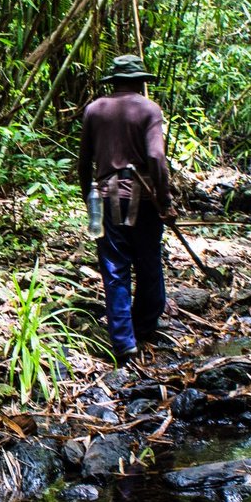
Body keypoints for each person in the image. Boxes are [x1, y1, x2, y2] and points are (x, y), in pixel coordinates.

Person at [77, 54, 176, 365]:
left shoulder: (95, 109)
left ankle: (123, 342)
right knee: (149, 262)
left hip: (106, 196)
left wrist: (87, 197)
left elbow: (84, 161)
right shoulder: (149, 109)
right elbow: (156, 158)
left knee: (115, 268)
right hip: (143, 198)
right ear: (140, 82)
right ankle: (144, 324)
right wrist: (165, 200)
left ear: (115, 81)